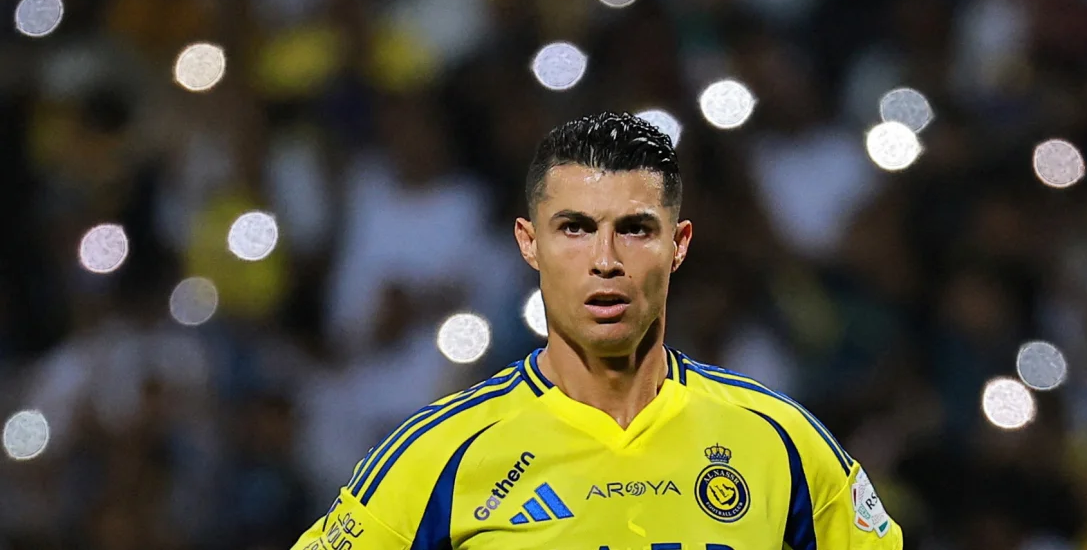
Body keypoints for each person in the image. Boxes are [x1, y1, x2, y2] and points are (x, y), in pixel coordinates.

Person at [291, 112, 904, 549]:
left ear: (678, 245)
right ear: (529, 245)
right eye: (575, 228)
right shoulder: (439, 456)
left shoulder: (783, 443)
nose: (605, 258)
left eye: (635, 228)